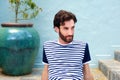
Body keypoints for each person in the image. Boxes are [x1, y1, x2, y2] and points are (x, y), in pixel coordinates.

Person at [41, 10, 94, 80]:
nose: (70, 33)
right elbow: (46, 72)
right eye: (66, 28)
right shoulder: (48, 46)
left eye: (72, 28)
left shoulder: (83, 46)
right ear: (56, 29)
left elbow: (87, 73)